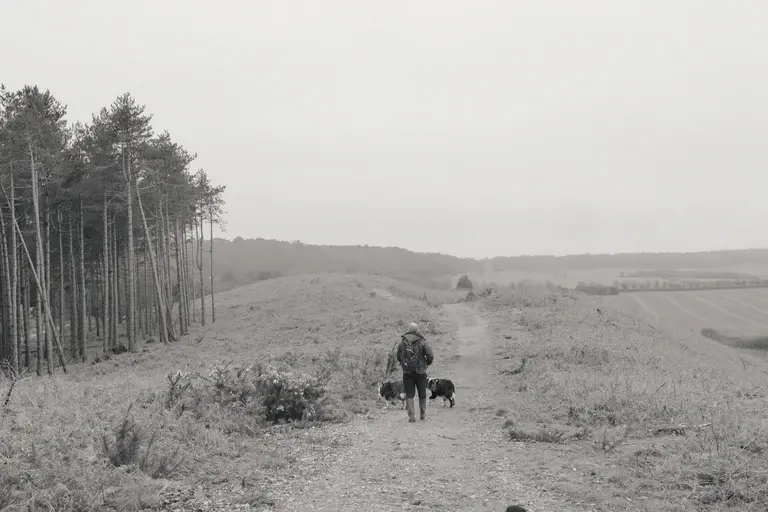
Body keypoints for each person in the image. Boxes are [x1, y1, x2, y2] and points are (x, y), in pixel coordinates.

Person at [396, 322, 434, 422]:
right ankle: (422, 414)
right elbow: (430, 355)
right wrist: (427, 363)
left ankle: (411, 416)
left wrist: (404, 365)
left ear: (408, 330)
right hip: (421, 372)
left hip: (407, 372)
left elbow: (398, 356)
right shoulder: (422, 341)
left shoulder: (402, 342)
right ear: (417, 330)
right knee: (422, 393)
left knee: (409, 394)